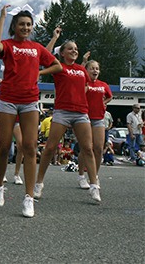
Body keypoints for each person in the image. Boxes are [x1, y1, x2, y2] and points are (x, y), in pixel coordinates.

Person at [0, 4, 62, 217]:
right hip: (8, 101)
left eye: (29, 24)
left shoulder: (37, 48)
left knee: (30, 147)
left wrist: (40, 73)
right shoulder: (9, 45)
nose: (26, 27)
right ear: (15, 26)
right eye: (22, 24)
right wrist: (2, 16)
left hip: (30, 101)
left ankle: (29, 198)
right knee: (4, 146)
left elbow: (57, 65)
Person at [35, 40, 101, 204]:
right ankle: (38, 183)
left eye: (76, 49)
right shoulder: (59, 67)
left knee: (88, 148)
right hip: (62, 112)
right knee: (50, 147)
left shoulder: (81, 70)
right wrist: (54, 37)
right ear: (62, 53)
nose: (74, 51)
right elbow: (45, 55)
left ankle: (94, 185)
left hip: (81, 113)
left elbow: (85, 87)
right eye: (70, 49)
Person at [76, 58, 112, 188]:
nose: (95, 70)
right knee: (86, 148)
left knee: (98, 148)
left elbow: (110, 96)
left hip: (99, 118)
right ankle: (81, 176)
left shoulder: (103, 85)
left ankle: (94, 176)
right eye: (92, 68)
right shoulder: (83, 82)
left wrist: (104, 103)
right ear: (87, 70)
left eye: (97, 68)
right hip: (84, 117)